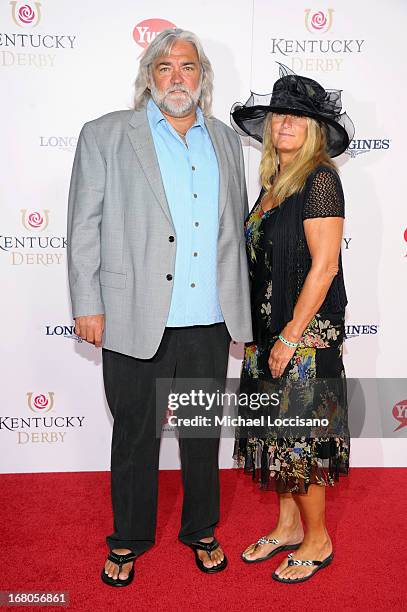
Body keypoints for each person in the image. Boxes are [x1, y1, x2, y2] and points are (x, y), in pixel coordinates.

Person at [67, 28, 252, 587]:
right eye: (166, 66)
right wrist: (87, 303)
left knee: (201, 434)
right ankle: (128, 537)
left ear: (203, 78)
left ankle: (200, 529)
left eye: (189, 67)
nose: (178, 77)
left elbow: (233, 234)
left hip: (207, 319)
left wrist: (241, 313)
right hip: (132, 315)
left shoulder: (223, 139)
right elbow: (84, 227)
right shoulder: (104, 135)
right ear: (149, 75)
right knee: (134, 435)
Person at [230, 64, 354, 583]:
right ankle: (285, 527)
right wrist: (265, 336)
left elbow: (324, 267)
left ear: (314, 129)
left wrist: (289, 335)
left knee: (299, 440)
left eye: (298, 116)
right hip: (267, 334)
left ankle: (318, 539)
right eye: (280, 113)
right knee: (273, 437)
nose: (285, 123)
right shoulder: (272, 183)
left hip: (302, 338)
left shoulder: (320, 179)